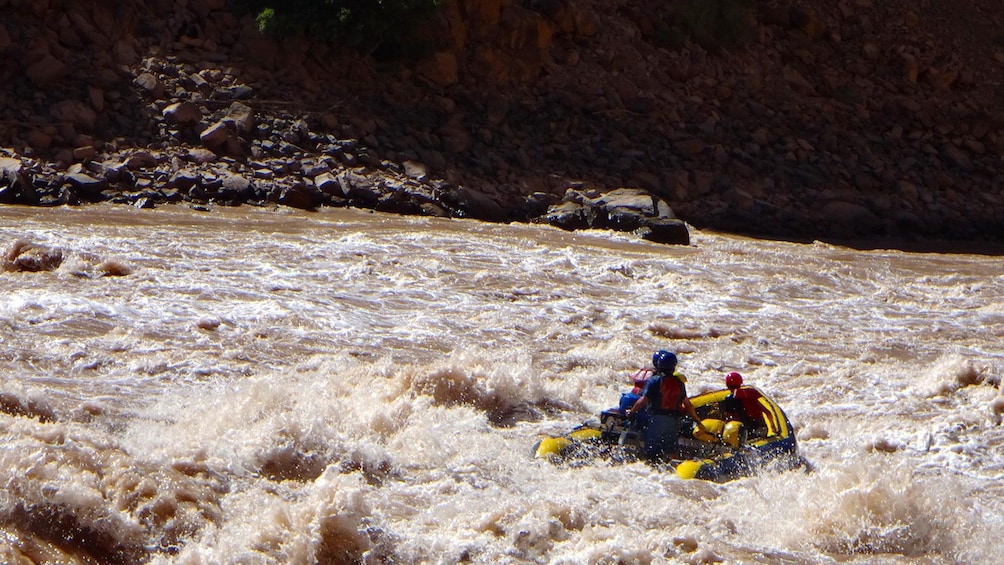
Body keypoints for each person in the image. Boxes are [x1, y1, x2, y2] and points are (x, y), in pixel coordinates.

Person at [627, 350, 708, 461]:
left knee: (651, 451)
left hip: (656, 420)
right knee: (671, 451)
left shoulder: (654, 381)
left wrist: (631, 412)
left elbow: (643, 400)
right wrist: (696, 419)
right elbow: (687, 404)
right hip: (673, 421)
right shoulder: (679, 383)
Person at [720, 372, 775, 437]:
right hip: (762, 429)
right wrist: (773, 428)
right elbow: (768, 413)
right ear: (740, 383)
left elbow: (729, 420)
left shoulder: (729, 399)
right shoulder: (750, 394)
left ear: (727, 385)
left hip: (746, 433)